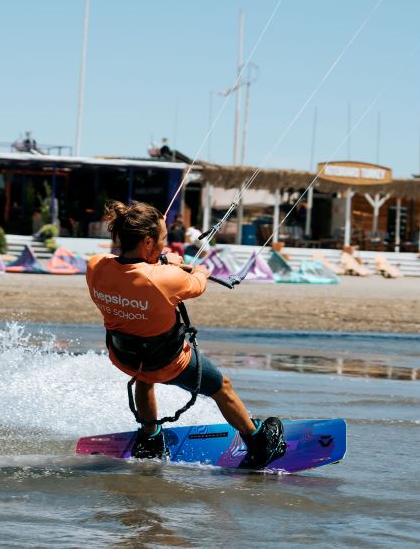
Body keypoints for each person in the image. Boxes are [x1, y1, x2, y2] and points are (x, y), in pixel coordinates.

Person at [85, 200, 286, 468]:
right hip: (167, 362)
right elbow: (197, 283)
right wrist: (200, 270)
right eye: (162, 239)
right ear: (147, 242)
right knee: (221, 386)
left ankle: (150, 438)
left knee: (144, 380)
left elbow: (129, 269)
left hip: (125, 357)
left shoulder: (95, 266)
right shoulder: (163, 279)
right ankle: (258, 441)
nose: (164, 244)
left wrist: (163, 262)